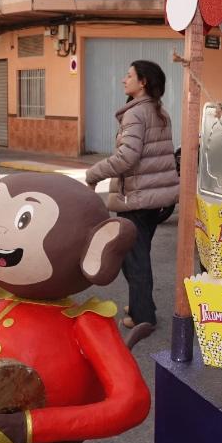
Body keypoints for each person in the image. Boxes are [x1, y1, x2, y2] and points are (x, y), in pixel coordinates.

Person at [86, 60, 179, 330]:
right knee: (138, 254)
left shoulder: (135, 114)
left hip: (138, 198)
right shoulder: (158, 111)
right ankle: (141, 304)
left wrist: (94, 174)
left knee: (133, 258)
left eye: (128, 76)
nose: (123, 80)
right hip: (155, 199)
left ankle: (143, 317)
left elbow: (127, 157)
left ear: (143, 82)